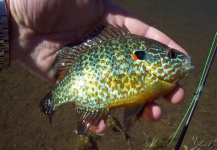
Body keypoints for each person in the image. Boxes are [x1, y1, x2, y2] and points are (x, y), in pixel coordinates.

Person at [5, 0, 185, 135]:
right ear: (150, 57)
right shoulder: (147, 66)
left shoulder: (155, 76)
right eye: (171, 55)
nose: (177, 58)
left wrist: (12, 20)